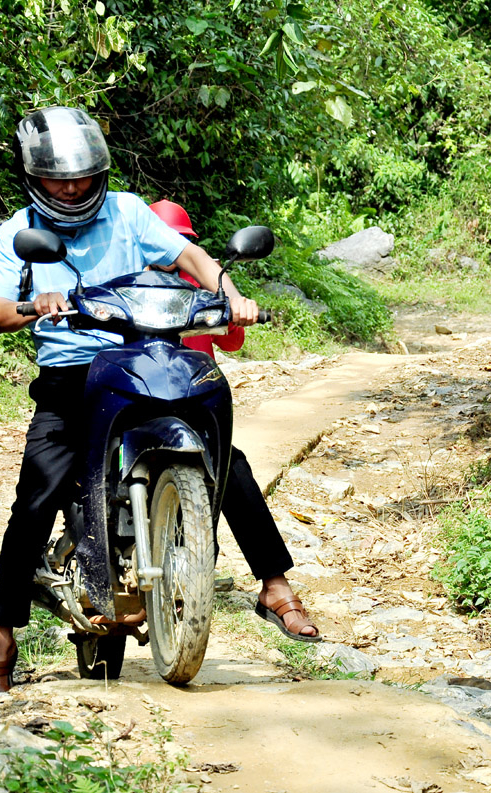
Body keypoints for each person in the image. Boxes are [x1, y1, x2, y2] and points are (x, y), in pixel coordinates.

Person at [0, 107, 317, 694]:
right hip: (72, 374)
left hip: (142, 354)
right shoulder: (16, 234)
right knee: (37, 494)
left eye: (84, 175)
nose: (74, 187)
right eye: (60, 179)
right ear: (33, 177)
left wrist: (229, 295)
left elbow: (188, 258)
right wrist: (42, 304)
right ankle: (1, 638)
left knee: (226, 458)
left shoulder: (128, 211)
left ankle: (274, 583)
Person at [147, 198, 320, 639]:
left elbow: (235, 341)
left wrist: (228, 299)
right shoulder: (125, 284)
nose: (169, 258)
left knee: (233, 465)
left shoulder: (204, 281)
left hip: (193, 396)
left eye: (180, 246)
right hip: (139, 393)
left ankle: (275, 585)